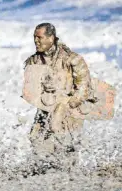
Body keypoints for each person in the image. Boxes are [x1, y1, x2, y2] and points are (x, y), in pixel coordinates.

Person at [23, 23, 93, 172]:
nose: (36, 41)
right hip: (45, 107)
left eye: (39, 37)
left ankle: (68, 174)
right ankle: (43, 173)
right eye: (34, 37)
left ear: (51, 38)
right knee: (36, 139)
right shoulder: (33, 61)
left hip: (69, 109)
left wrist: (67, 104)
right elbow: (30, 90)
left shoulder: (72, 59)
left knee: (65, 145)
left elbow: (84, 87)